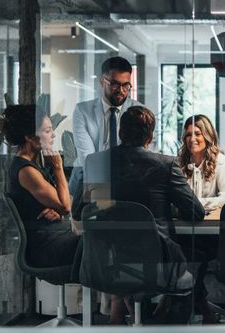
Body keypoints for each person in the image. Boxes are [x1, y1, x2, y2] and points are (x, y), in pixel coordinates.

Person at [83, 106, 205, 324]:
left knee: (128, 269)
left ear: (120, 134)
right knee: (185, 274)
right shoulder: (165, 165)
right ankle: (159, 323)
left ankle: (132, 317)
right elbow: (196, 212)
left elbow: (81, 211)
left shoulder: (96, 162)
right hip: (156, 263)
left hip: (108, 263)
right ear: (150, 136)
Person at [5, 104, 79, 272]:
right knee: (95, 242)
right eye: (47, 131)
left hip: (56, 236)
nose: (53, 135)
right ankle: (117, 297)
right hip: (45, 245)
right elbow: (66, 205)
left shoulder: (34, 165)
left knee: (101, 241)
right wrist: (58, 167)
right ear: (30, 137)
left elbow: (64, 203)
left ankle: (117, 297)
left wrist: (58, 210)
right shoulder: (26, 171)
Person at [175, 114, 225, 324]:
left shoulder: (219, 160)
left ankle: (186, 306)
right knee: (186, 257)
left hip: (211, 232)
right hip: (185, 228)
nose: (192, 138)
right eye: (188, 134)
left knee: (193, 261)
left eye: (197, 133)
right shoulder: (179, 161)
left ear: (207, 135)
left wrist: (196, 204)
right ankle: (204, 309)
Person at [69, 56, 143, 200]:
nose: (121, 91)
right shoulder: (82, 111)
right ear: (102, 81)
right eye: (115, 84)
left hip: (125, 182)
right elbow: (88, 159)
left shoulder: (139, 111)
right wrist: (104, 199)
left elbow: (140, 155)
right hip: (87, 180)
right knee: (89, 219)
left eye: (126, 85)